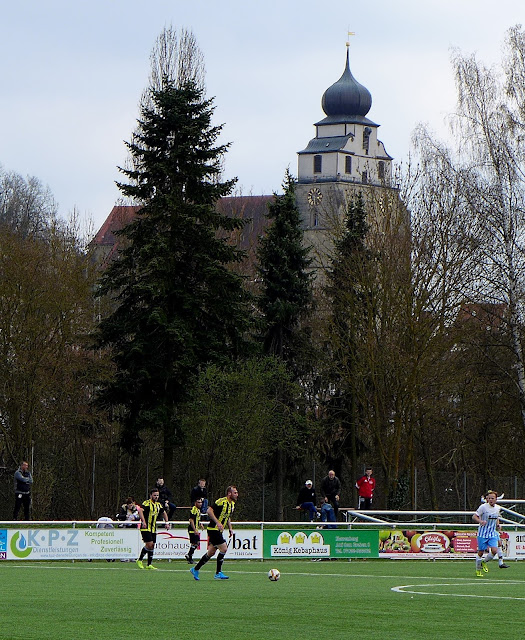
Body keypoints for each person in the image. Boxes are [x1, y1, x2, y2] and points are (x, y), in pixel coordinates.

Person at [190, 485, 238, 580]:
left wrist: (230, 528)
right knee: (224, 549)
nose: (237, 494)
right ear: (229, 493)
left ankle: (195, 569)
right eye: (235, 492)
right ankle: (218, 573)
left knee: (211, 552)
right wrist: (217, 522)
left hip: (218, 530)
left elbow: (227, 516)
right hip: (213, 529)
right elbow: (209, 510)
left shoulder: (232, 504)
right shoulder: (221, 501)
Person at [473, 490, 506, 577]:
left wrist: (498, 525)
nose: (491, 500)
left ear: (496, 499)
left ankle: (484, 562)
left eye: (493, 498)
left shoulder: (497, 508)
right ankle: (478, 570)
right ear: (487, 499)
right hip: (482, 534)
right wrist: (480, 521)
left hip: (492, 533)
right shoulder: (483, 507)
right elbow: (474, 516)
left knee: (494, 550)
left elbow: (496, 518)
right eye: (489, 498)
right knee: (481, 552)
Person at [136, 488, 170, 570]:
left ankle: (149, 564)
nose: (156, 497)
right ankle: (139, 560)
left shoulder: (158, 505)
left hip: (153, 528)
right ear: (151, 495)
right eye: (154, 495)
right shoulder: (147, 503)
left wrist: (167, 522)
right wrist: (143, 521)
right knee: (149, 544)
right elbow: (140, 511)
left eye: (157, 495)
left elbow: (164, 512)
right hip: (145, 527)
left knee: (152, 545)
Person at [185, 497, 204, 564]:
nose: (200, 504)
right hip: (192, 529)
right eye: (199, 502)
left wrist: (200, 524)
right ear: (195, 503)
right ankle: (189, 555)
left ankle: (189, 557)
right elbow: (191, 520)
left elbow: (197, 519)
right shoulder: (194, 509)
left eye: (201, 502)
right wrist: (194, 529)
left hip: (195, 529)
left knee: (196, 543)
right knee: (195, 543)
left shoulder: (198, 510)